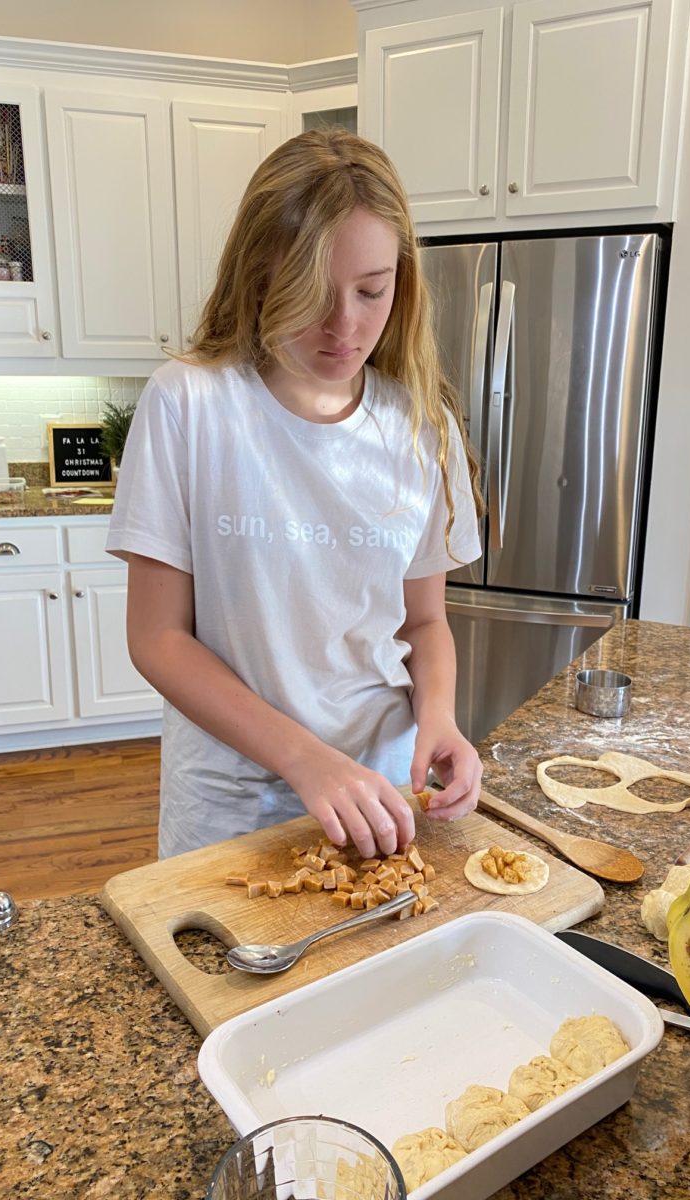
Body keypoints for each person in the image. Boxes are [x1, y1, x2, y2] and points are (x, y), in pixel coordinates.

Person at [106, 128, 485, 861]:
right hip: (229, 800)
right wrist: (306, 759)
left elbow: (426, 623)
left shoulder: (420, 427)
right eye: (311, 295)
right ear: (257, 277)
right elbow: (157, 638)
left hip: (379, 792)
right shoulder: (190, 403)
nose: (346, 326)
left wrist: (439, 716)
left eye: (371, 291)